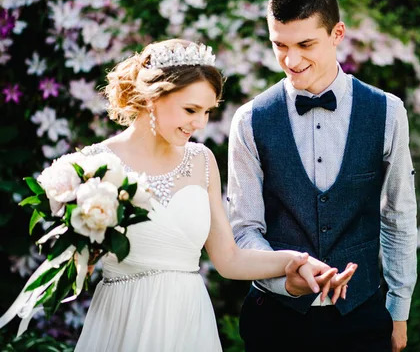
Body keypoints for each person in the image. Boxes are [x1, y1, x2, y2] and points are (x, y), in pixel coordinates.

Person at [74, 39, 353, 352]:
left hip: (188, 322)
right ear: (154, 97)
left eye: (207, 111)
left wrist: (296, 261)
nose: (200, 122)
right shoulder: (93, 164)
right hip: (124, 317)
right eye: (191, 109)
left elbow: (230, 260)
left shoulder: (201, 160)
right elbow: (69, 260)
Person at [227, 0, 418, 352]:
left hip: (362, 318)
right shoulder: (249, 120)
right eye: (279, 45)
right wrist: (286, 275)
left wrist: (398, 311)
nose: (291, 60)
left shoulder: (388, 112)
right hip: (274, 322)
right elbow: (244, 230)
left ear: (337, 34)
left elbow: (398, 218)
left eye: (305, 44)